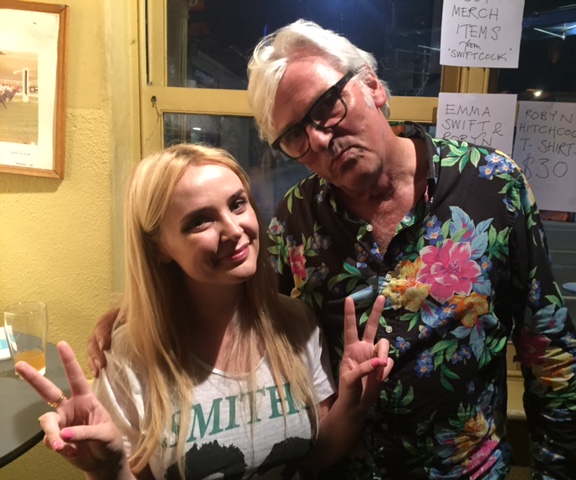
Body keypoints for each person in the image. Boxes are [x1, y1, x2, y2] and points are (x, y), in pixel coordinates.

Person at [89, 20, 576, 479]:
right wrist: (141, 308)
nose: (318, 139)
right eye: (295, 135)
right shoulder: (295, 219)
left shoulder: (491, 184)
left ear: (372, 86)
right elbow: (241, 300)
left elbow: (549, 348)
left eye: (326, 106)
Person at [18, 144, 393, 480]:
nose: (234, 229)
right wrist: (106, 467)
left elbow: (317, 457)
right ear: (160, 248)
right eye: (200, 221)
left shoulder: (296, 323)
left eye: (237, 204)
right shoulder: (128, 356)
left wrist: (353, 403)